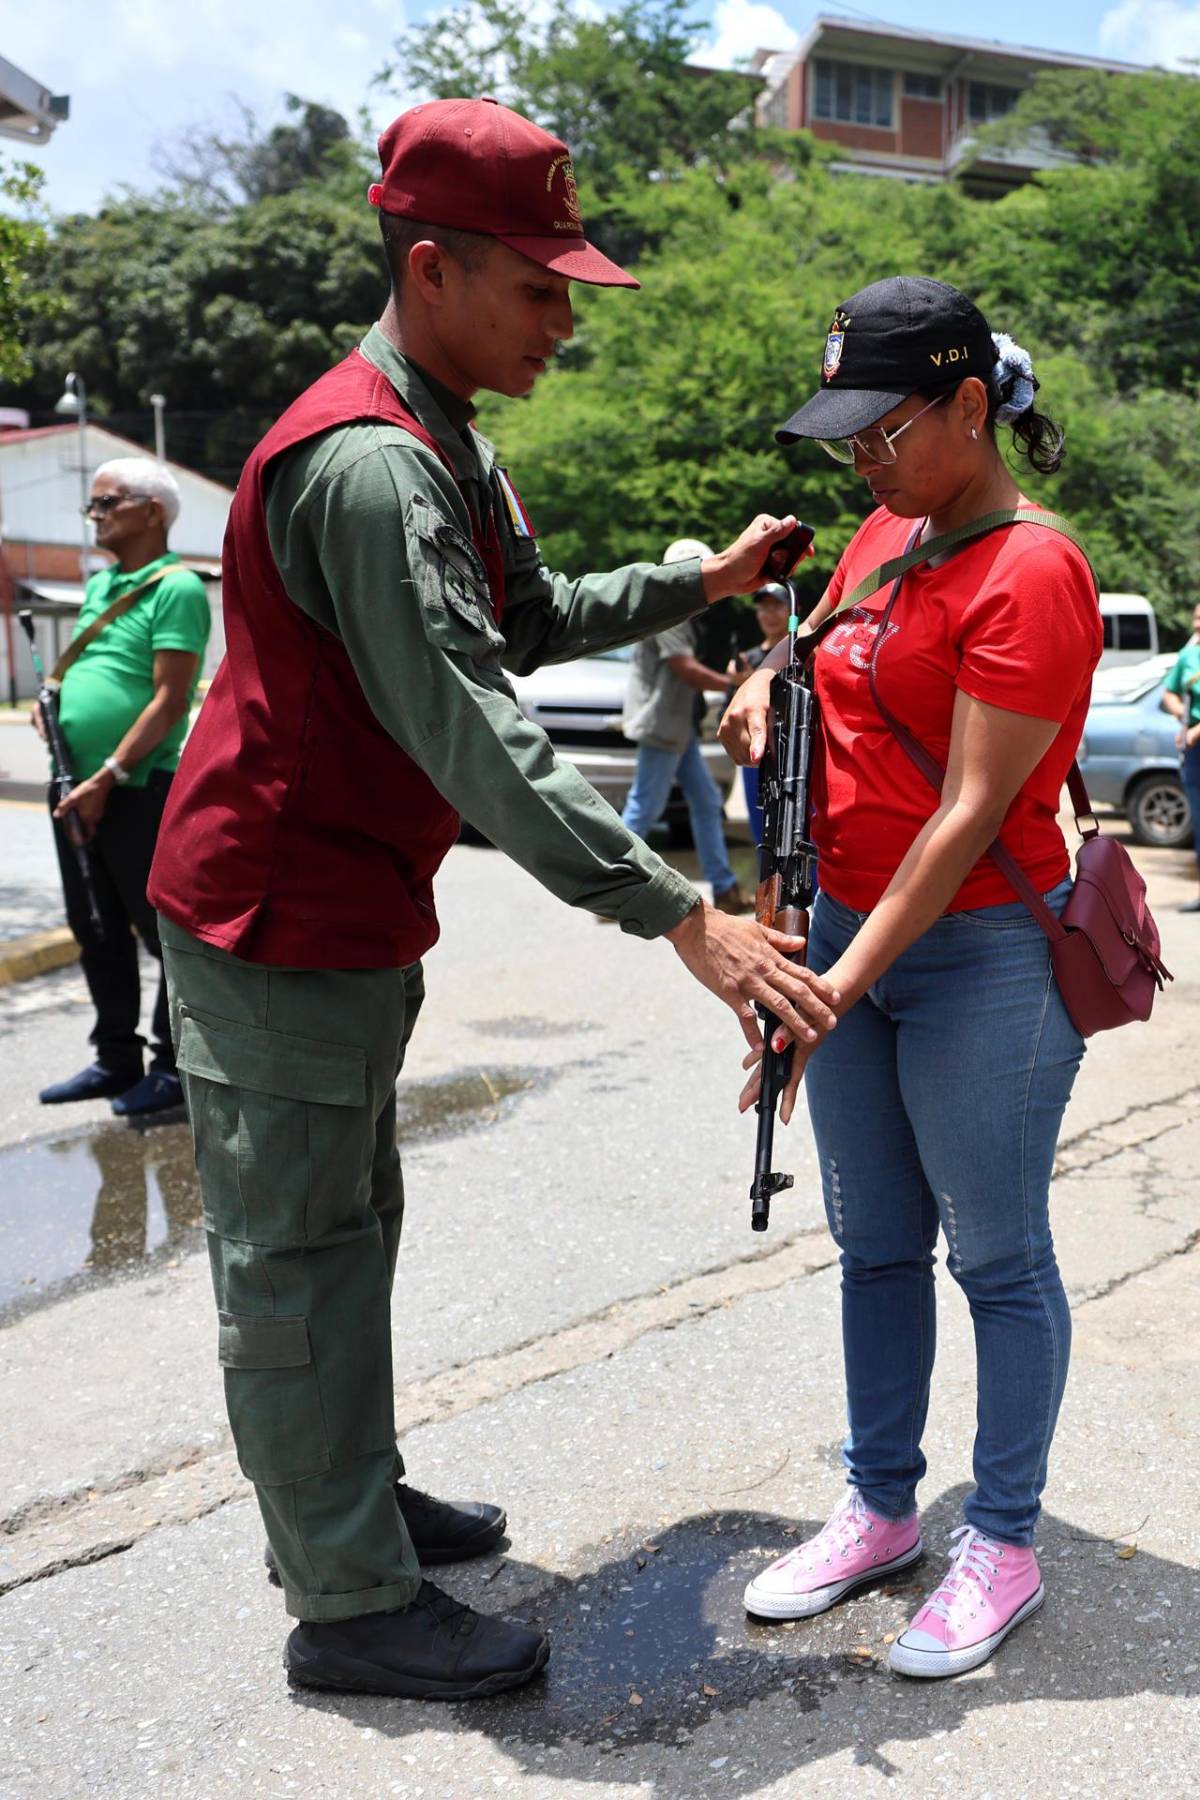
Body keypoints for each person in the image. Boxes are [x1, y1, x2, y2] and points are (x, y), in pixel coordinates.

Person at [146, 98, 840, 1703]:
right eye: (540, 289)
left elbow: (518, 616)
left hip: (346, 906)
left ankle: (348, 1499)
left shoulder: (445, 436)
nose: (563, 323)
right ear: (434, 269)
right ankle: (346, 1605)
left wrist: (701, 580)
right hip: (274, 913)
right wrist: (679, 909)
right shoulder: (374, 467)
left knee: (349, 1224)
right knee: (296, 1253)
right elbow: (471, 720)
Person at [722, 276, 1101, 1679]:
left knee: (997, 1257)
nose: (859, 463)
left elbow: (967, 814)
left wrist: (825, 990)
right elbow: (817, 651)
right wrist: (764, 675)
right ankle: (881, 1509)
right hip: (849, 933)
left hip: (983, 951)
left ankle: (1003, 1540)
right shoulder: (888, 532)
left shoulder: (1032, 570)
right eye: (843, 437)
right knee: (874, 1244)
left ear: (968, 405)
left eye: (880, 432)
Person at [36, 457, 210, 1119]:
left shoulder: (178, 587)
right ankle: (116, 1058)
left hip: (137, 788)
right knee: (95, 925)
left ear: (152, 511)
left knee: (162, 933)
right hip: (74, 785)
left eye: (107, 503)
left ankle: (173, 1067)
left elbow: (170, 699)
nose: (95, 516)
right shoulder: (101, 584)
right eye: (94, 505)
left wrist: (108, 774)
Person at [620, 538, 754, 911]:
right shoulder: (665, 611)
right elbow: (685, 669)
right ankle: (614, 887)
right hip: (662, 724)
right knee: (644, 807)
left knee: (707, 801)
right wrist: (735, 685)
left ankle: (724, 889)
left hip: (678, 727)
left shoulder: (678, 612)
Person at [728, 582, 791, 849]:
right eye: (764, 607)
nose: (770, 614)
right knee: (763, 836)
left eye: (777, 606)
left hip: (794, 753)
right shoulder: (747, 659)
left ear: (792, 610)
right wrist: (740, 683)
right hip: (757, 756)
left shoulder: (803, 653)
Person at [1161, 599, 1200, 912]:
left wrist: (1196, 731)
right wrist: (1181, 716)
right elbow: (1169, 691)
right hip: (1194, 752)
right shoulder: (1189, 655)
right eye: (1196, 618)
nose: (1198, 625)